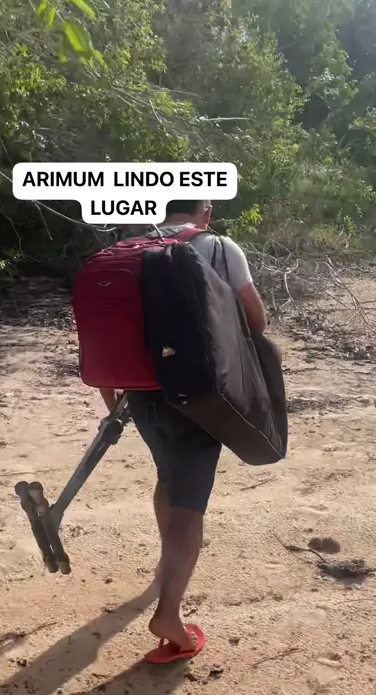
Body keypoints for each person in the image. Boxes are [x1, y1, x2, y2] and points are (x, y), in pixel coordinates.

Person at [100, 200, 267, 657]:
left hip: (141, 392)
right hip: (196, 395)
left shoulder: (131, 247)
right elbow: (257, 320)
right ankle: (169, 614)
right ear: (204, 212)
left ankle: (165, 570)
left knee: (167, 477)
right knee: (190, 505)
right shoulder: (219, 247)